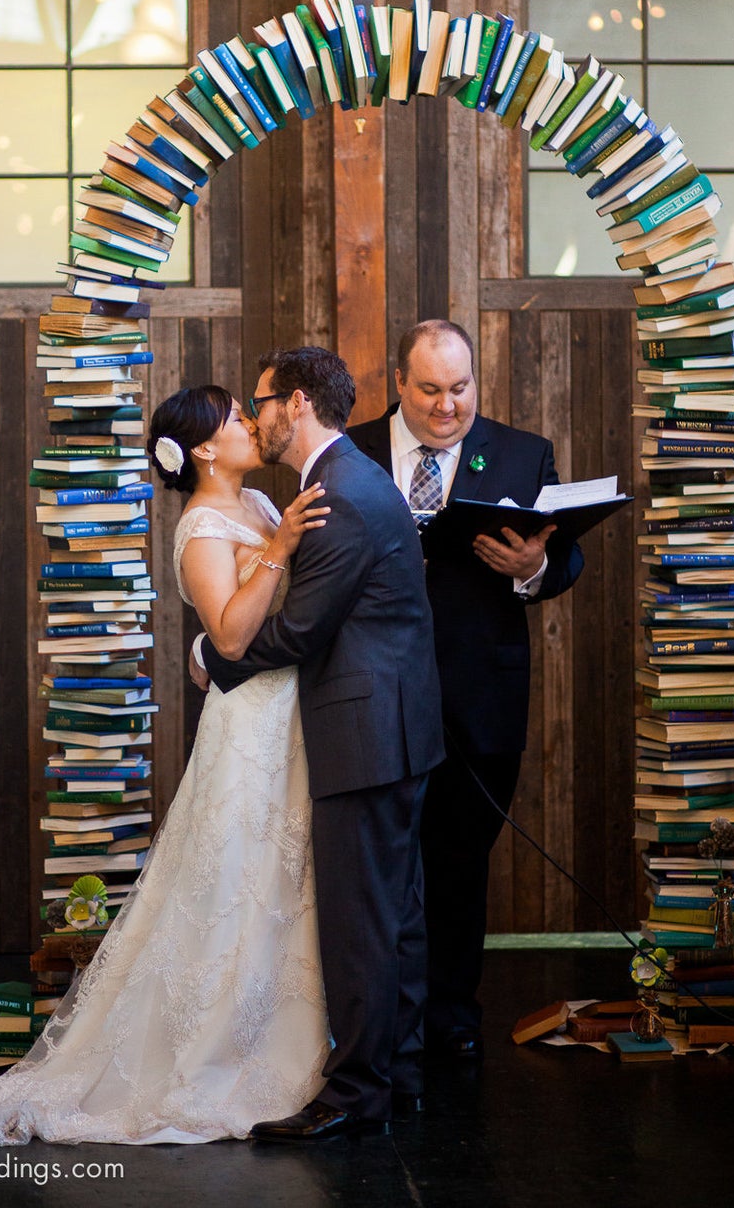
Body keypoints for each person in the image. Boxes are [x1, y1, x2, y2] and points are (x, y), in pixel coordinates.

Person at [0, 384, 334, 1155]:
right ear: (206, 449)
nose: (253, 426)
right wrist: (276, 556)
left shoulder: (256, 498)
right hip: (250, 719)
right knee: (236, 877)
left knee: (284, 879)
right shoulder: (201, 525)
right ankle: (214, 1052)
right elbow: (228, 634)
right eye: (237, 420)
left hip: (292, 711)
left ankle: (291, 1032)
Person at [196, 346, 445, 1141]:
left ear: (295, 404)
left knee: (360, 920)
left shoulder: (337, 494)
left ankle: (355, 1097)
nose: (257, 415)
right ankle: (397, 1074)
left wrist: (214, 659)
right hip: (397, 727)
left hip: (366, 732)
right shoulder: (350, 479)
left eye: (262, 401)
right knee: (395, 913)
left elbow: (302, 630)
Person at [348, 320, 584, 1057]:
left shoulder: (521, 454)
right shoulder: (348, 453)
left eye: (461, 388)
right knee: (376, 864)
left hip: (479, 700)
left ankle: (450, 1017)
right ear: (397, 384)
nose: (448, 406)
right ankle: (373, 1019)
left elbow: (566, 560)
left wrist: (532, 572)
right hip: (369, 695)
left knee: (456, 863)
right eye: (430, 390)